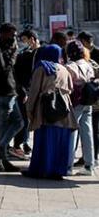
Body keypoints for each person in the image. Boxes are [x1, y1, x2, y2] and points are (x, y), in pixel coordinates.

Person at [23, 44, 77, 179]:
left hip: (45, 110)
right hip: (64, 111)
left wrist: (30, 109)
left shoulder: (42, 68)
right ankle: (57, 171)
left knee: (44, 140)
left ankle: (40, 169)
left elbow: (34, 90)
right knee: (60, 142)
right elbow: (70, 89)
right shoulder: (64, 69)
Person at [0, 23, 23, 172]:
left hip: (10, 91)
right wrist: (14, 54)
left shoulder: (4, 48)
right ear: (4, 33)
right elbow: (4, 69)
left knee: (18, 122)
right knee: (4, 124)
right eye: (12, 34)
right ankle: (2, 157)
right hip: (3, 92)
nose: (14, 38)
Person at [65, 40, 95, 175]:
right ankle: (89, 165)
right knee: (87, 132)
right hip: (88, 100)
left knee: (72, 132)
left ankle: (68, 166)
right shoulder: (88, 64)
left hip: (75, 102)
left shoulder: (70, 66)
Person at [12, 30, 41, 157]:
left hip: (35, 90)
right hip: (24, 91)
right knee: (24, 119)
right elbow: (18, 75)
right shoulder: (24, 55)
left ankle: (25, 143)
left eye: (24, 40)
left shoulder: (39, 53)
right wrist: (23, 91)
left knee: (31, 119)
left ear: (32, 39)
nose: (22, 43)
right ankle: (19, 145)